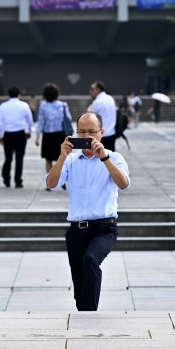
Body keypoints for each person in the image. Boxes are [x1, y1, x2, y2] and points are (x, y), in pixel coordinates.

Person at [46, 111, 131, 311]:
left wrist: (104, 158)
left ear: (102, 132)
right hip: (76, 230)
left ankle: (89, 315)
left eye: (91, 132)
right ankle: (83, 313)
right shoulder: (71, 160)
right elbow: (51, 184)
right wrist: (61, 156)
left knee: (90, 260)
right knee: (79, 282)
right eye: (81, 132)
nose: (86, 138)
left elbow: (124, 184)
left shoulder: (115, 158)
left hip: (104, 228)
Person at [35, 83, 72, 186]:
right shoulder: (62, 105)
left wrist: (38, 137)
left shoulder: (43, 105)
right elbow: (68, 120)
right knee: (61, 157)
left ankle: (50, 181)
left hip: (47, 135)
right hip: (60, 134)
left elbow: (41, 121)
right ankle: (61, 179)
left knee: (48, 159)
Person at [0, 86, 33, 189]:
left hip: (8, 135)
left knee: (8, 158)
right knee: (19, 158)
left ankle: (6, 179)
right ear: (19, 95)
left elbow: (0, 122)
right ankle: (18, 181)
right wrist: (30, 130)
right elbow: (29, 120)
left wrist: (0, 135)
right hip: (21, 134)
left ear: (9, 95)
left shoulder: (3, 106)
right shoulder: (24, 105)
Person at [87, 81, 118, 150]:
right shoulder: (110, 98)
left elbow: (89, 119)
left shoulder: (97, 102)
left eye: (92, 89)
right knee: (110, 157)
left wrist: (88, 110)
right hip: (111, 133)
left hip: (101, 136)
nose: (90, 91)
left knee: (100, 158)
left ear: (98, 89)